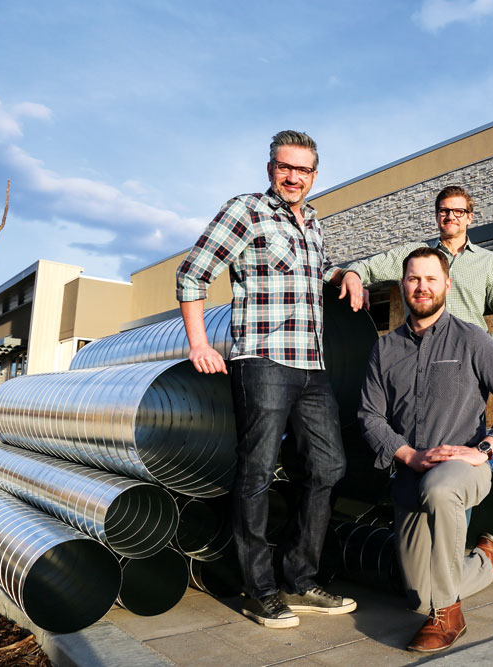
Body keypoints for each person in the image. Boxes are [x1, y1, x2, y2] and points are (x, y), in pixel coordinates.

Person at [176, 130, 356, 629]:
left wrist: (347, 274)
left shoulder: (313, 222)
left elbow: (313, 274)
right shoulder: (246, 211)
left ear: (315, 175)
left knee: (328, 467)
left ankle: (299, 578)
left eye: (303, 170)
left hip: (312, 367)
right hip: (264, 361)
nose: (293, 176)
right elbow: (193, 273)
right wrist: (199, 342)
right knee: (257, 473)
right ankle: (258, 590)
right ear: (271, 167)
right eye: (285, 166)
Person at [358, 246, 493, 653]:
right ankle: (487, 558)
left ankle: (450, 615)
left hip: (463, 470)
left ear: (447, 285)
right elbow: (369, 415)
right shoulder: (385, 349)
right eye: (414, 279)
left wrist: (486, 449)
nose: (422, 287)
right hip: (410, 475)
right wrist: (407, 455)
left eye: (431, 279)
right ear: (403, 285)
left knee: (439, 487)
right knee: (419, 597)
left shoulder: (471, 338)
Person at [341, 185, 493, 350]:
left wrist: (492, 351)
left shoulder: (488, 261)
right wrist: (352, 275)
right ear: (436, 215)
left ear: (469, 217)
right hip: (420, 352)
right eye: (444, 211)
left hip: (470, 353)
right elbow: (367, 268)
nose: (451, 216)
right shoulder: (412, 255)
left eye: (458, 212)